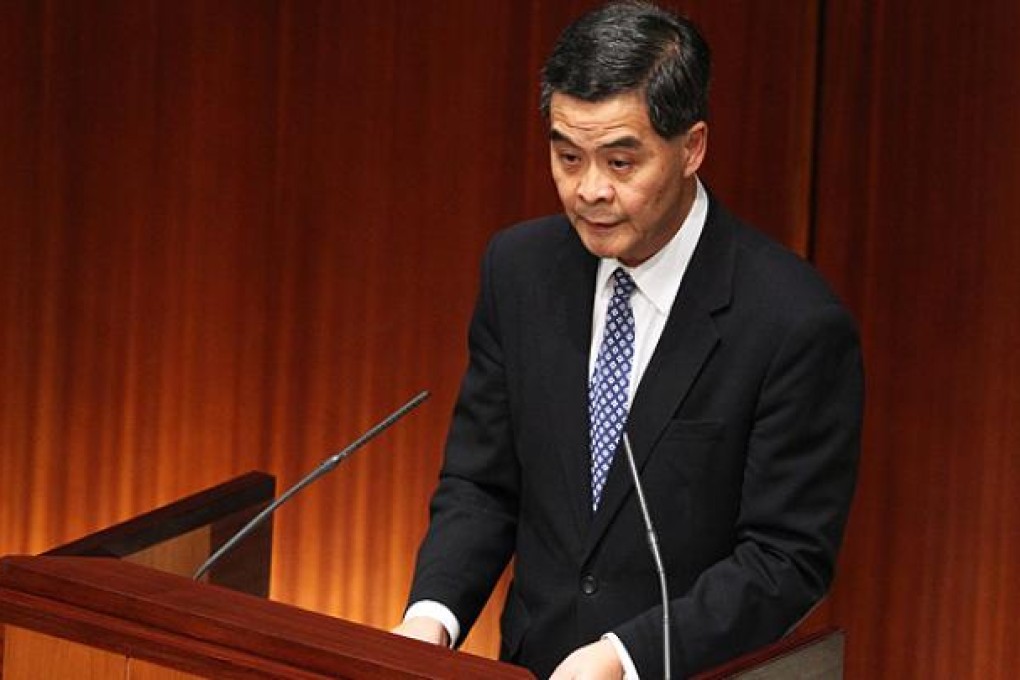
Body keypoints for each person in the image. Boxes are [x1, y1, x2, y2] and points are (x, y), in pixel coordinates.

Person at [393, 2, 863, 678]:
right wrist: (430, 615)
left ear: (691, 148)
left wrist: (624, 655)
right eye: (567, 157)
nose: (589, 190)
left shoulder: (792, 322)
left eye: (620, 162)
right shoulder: (519, 270)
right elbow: (482, 482)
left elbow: (785, 560)